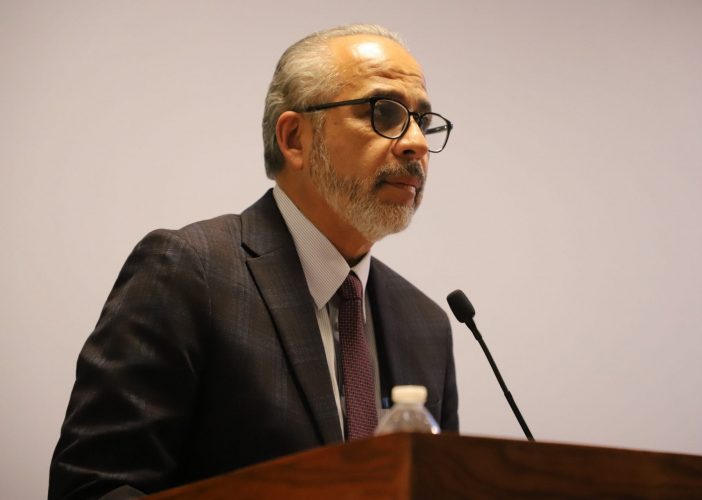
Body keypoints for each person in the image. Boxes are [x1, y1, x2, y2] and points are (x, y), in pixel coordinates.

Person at [49, 24, 458, 499]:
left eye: (422, 120)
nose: (417, 143)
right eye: (384, 113)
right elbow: (95, 489)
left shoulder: (427, 326)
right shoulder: (188, 273)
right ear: (295, 138)